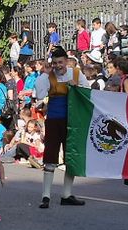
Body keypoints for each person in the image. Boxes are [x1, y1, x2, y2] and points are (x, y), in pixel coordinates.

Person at [35, 46, 88, 209]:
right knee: (50, 157)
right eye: (55, 62)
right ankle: (46, 196)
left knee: (70, 156)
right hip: (54, 120)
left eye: (60, 62)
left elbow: (87, 93)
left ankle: (66, 194)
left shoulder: (77, 74)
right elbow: (39, 95)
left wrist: (76, 87)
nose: (58, 65)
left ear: (66, 61)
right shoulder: (46, 77)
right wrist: (45, 75)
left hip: (72, 122)